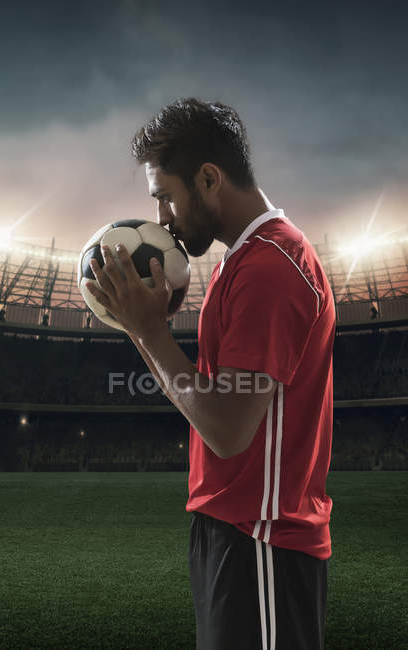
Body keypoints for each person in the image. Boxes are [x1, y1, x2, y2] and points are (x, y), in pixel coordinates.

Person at [86, 98, 336, 650]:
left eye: (166, 198)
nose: (162, 218)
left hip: (265, 542)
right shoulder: (236, 262)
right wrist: (138, 326)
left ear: (208, 178)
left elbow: (227, 429)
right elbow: (209, 400)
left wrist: (149, 333)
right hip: (229, 532)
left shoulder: (272, 266)